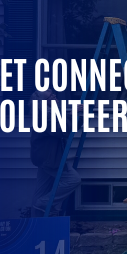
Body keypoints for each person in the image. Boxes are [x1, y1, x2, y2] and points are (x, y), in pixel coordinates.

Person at [28, 88, 82, 217]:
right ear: (41, 102)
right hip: (49, 158)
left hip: (45, 157)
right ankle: (44, 204)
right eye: (50, 97)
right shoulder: (42, 115)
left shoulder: (47, 112)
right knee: (73, 180)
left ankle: (35, 223)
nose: (54, 97)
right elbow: (60, 130)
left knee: (42, 190)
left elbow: (59, 120)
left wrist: (72, 114)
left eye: (53, 94)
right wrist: (73, 113)